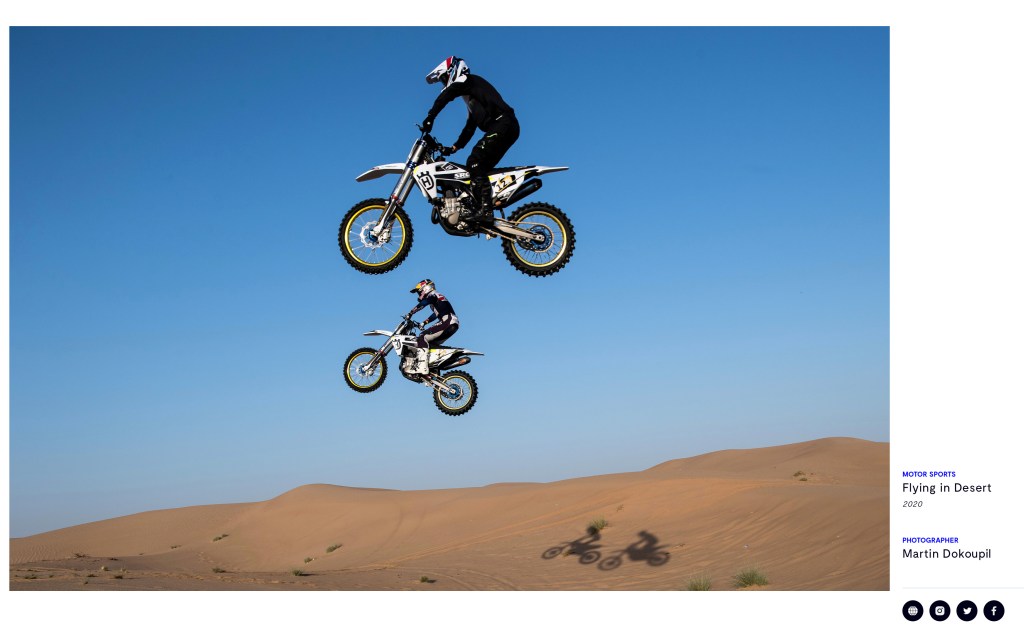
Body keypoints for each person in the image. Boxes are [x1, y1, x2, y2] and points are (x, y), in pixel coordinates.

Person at [421, 56, 520, 225]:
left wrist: (431, 116)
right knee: (478, 169)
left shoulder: (467, 80)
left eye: (444, 78)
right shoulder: (472, 97)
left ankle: (485, 211)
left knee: (475, 160)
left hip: (504, 123)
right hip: (505, 127)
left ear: (453, 70)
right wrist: (454, 147)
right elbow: (470, 127)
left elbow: (447, 95)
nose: (444, 83)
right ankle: (484, 205)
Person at [407, 279, 459, 375]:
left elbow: (423, 303)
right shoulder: (437, 297)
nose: (419, 295)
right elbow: (436, 314)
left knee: (422, 337)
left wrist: (411, 312)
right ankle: (434, 370)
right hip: (451, 322)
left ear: (426, 288)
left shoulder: (433, 295)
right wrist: (424, 323)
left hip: (447, 320)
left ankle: (422, 366)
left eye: (419, 292)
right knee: (430, 344)